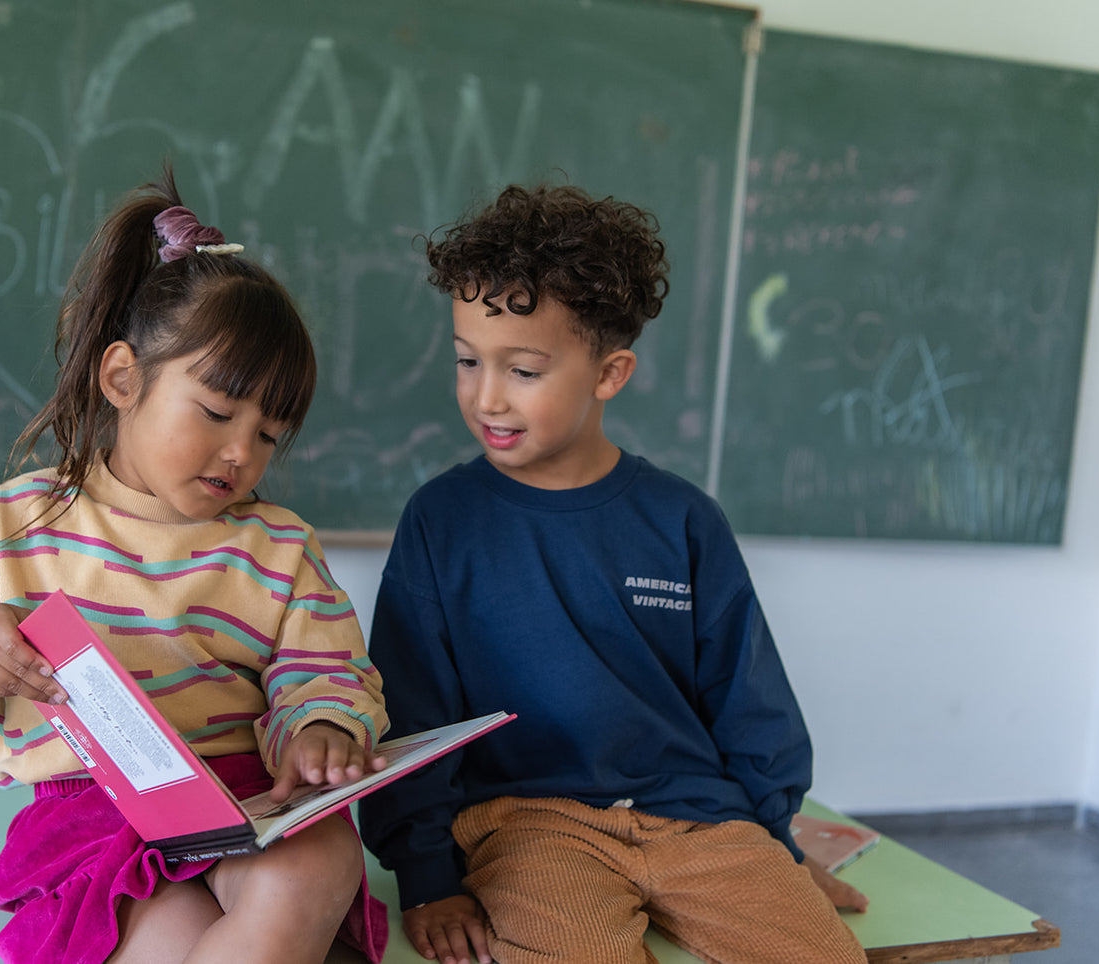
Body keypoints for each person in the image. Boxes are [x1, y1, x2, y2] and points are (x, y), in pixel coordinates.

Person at [0, 165, 390, 964]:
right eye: (214, 412)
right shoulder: (18, 523)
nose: (241, 452)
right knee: (165, 936)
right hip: (94, 815)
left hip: (251, 798)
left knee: (326, 863)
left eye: (269, 435)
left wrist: (320, 724)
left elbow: (328, 668)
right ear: (122, 377)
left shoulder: (280, 548)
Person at [357, 183, 869, 964]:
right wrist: (427, 877)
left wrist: (775, 851)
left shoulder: (684, 520)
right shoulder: (441, 520)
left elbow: (748, 698)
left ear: (609, 373)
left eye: (522, 370)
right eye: (466, 361)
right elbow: (411, 717)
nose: (485, 395)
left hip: (701, 822)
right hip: (530, 826)